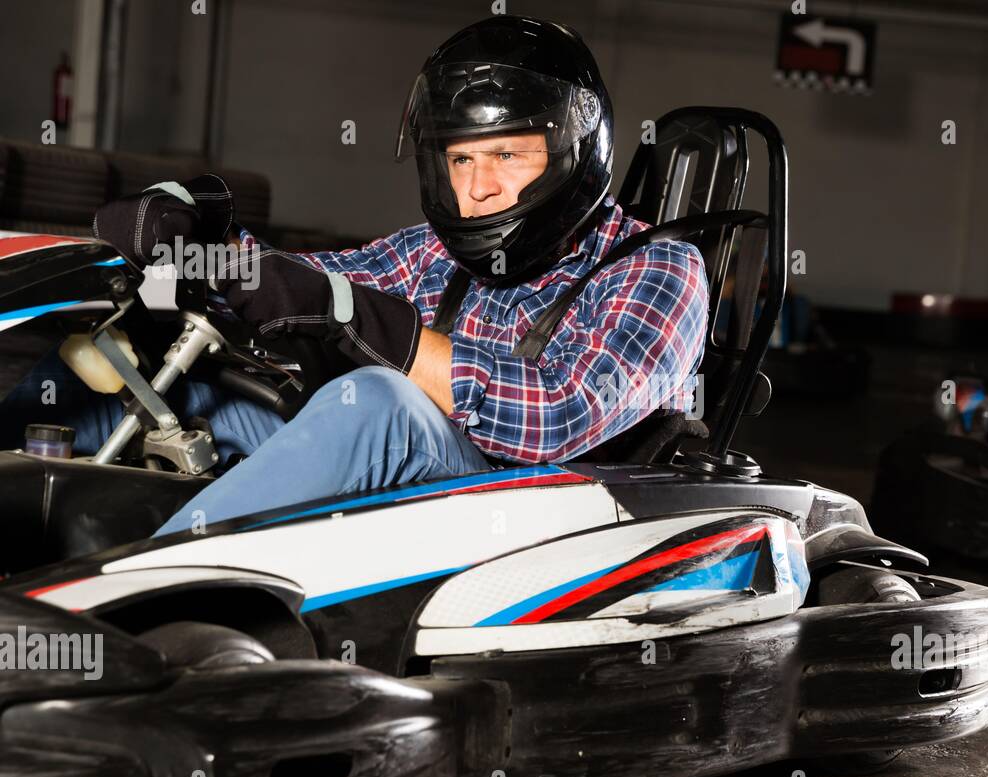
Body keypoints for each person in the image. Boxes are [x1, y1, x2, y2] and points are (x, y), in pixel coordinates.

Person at [2, 16, 708, 536]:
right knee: (128, 361)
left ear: (570, 153)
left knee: (378, 404)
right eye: (462, 161)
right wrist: (197, 236)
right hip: (435, 498)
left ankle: (136, 596)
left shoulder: (657, 266)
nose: (481, 187)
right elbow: (300, 284)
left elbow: (560, 408)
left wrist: (365, 324)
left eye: (507, 156)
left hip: (544, 519)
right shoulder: (439, 254)